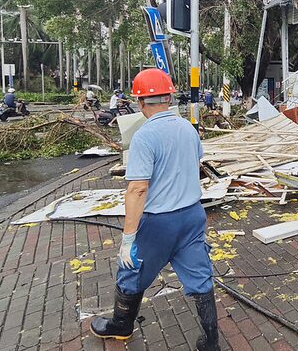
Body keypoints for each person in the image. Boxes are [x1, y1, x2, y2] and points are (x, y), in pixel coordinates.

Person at [91, 69, 218, 350]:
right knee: (200, 275)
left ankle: (121, 326)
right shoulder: (188, 128)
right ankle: (210, 342)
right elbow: (196, 166)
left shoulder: (144, 137)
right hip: (193, 216)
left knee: (131, 270)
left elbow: (137, 189)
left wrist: (127, 238)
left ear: (139, 103)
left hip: (160, 222)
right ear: (170, 97)